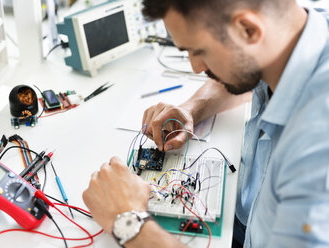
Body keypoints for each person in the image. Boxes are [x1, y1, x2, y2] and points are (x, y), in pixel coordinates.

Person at [83, 0, 329, 247]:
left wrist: (127, 222)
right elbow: (245, 69)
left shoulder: (315, 151)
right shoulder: (297, 31)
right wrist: (192, 109)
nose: (195, 67)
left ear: (248, 30)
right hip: (248, 214)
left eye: (199, 51)